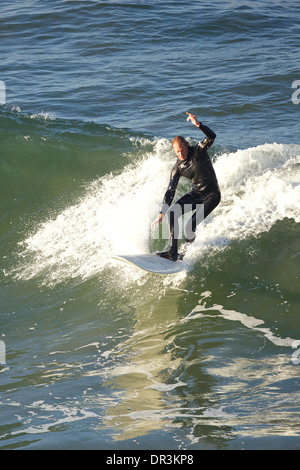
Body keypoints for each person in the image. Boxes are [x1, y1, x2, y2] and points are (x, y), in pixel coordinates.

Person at [152, 112, 221, 261]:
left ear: (187, 145)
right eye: (177, 151)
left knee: (189, 226)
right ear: (173, 151)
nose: (181, 154)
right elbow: (170, 190)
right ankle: (173, 252)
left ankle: (187, 252)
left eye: (182, 150)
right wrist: (161, 213)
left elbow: (211, 137)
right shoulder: (178, 168)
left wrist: (199, 125)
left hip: (212, 196)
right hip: (196, 195)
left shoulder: (198, 151)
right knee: (172, 214)